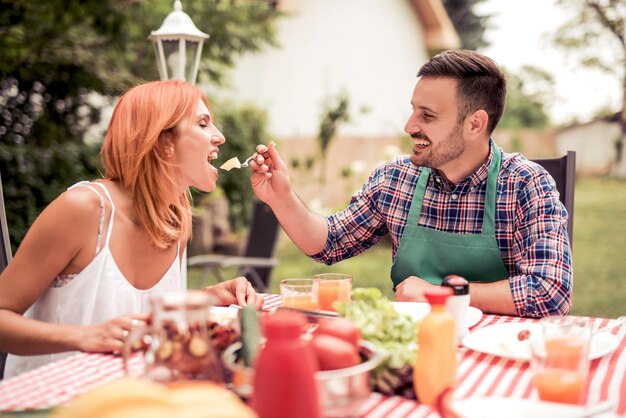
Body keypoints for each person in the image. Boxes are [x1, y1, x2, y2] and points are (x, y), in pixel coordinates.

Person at [249, 49, 572, 318]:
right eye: (413, 111)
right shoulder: (395, 179)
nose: (409, 126)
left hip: (498, 355)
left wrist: (442, 295)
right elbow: (330, 242)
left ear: (475, 124)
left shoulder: (526, 184)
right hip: (409, 347)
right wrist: (283, 198)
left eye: (427, 116)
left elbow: (550, 291)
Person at [0, 80, 262, 378]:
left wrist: (209, 296)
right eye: (203, 124)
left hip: (132, 396)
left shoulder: (176, 218)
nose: (220, 137)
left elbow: (141, 315)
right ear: (164, 142)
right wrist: (82, 337)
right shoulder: (83, 210)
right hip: (49, 403)